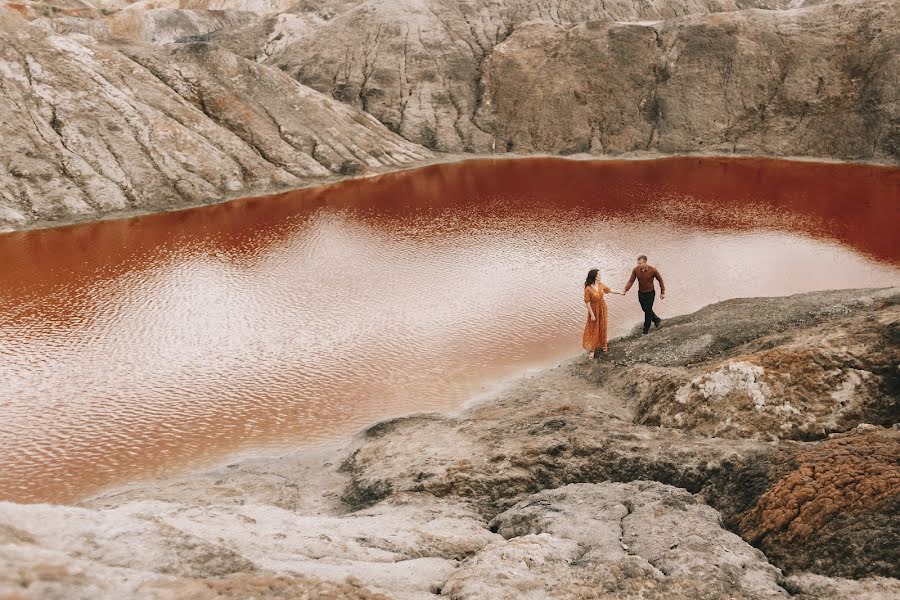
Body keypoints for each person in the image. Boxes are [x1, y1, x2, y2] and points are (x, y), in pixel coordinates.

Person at [582, 268, 623, 358]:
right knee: (594, 328)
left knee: (603, 326)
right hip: (594, 310)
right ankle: (592, 350)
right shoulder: (588, 289)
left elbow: (609, 290)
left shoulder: (600, 285)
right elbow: (587, 302)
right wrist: (592, 314)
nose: (600, 276)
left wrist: (620, 292)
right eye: (599, 275)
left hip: (602, 308)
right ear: (594, 277)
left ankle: (604, 344)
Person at [623, 255, 665, 334]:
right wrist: (626, 289)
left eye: (640, 263)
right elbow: (631, 281)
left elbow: (660, 280)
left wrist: (662, 292)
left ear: (645, 262)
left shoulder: (653, 270)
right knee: (645, 309)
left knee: (647, 311)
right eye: (638, 263)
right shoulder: (636, 270)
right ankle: (656, 319)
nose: (639, 265)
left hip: (650, 293)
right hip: (641, 293)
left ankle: (645, 330)